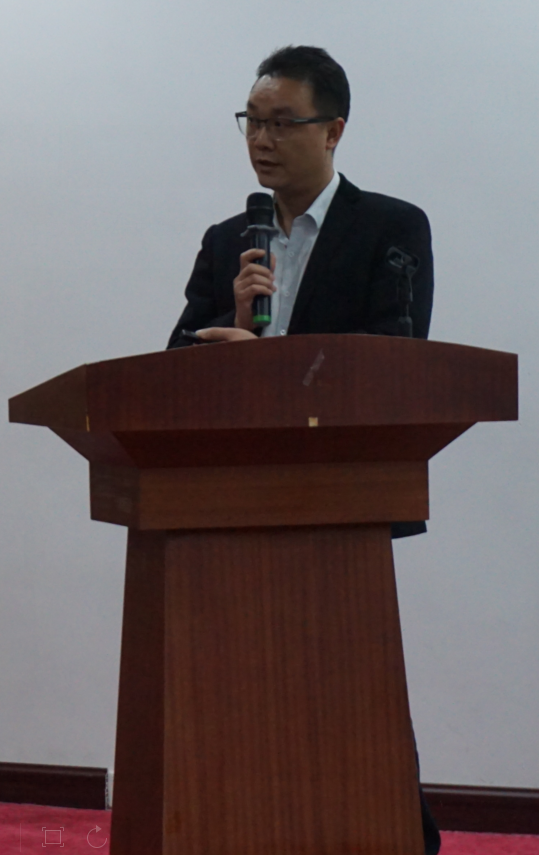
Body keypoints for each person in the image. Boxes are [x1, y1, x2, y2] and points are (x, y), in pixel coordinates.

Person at [166, 45, 441, 855]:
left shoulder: (390, 227)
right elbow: (171, 369)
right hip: (226, 506)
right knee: (239, 692)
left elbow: (393, 361)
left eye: (282, 122)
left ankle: (396, 836)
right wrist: (229, 325)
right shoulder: (228, 241)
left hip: (340, 503)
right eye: (251, 121)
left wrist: (271, 363)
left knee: (349, 689)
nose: (261, 138)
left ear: (333, 130)